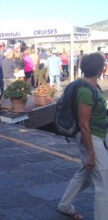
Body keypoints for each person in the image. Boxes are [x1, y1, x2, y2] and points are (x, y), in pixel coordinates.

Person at [58, 52, 108, 220]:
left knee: (85, 175)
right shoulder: (86, 91)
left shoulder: (94, 87)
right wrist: (92, 153)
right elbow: (84, 124)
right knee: (104, 184)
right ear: (99, 69)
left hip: (97, 135)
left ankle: (65, 205)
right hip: (91, 138)